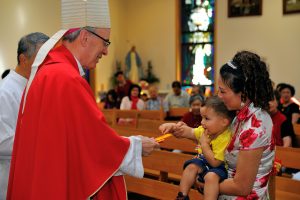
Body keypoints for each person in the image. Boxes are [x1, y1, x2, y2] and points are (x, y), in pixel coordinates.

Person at [7, 1, 159, 199]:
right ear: (85, 37)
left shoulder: (50, 71)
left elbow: (77, 140)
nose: (105, 51)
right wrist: (135, 146)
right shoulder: (66, 78)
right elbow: (95, 143)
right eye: (105, 43)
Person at [214, 51, 274, 199]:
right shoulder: (242, 115)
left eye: (223, 91)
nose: (219, 96)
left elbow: (242, 187)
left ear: (243, 93)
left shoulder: (255, 127)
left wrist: (205, 184)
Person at [0, 32, 49, 200]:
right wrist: (44, 138)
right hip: (10, 178)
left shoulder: (35, 87)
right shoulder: (4, 92)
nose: (45, 64)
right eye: (41, 57)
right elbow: (3, 142)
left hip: (35, 175)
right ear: (23, 59)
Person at [159, 96, 235, 200]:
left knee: (210, 177)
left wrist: (204, 144)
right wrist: (173, 126)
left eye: (207, 118)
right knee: (191, 166)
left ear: (224, 122)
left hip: (219, 167)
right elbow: (188, 131)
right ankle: (182, 196)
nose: (202, 122)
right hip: (204, 161)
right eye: (202, 118)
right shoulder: (205, 130)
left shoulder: (226, 137)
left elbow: (215, 163)